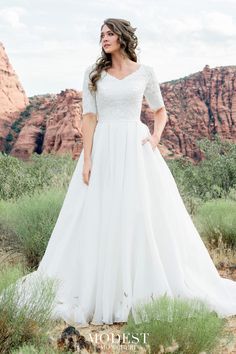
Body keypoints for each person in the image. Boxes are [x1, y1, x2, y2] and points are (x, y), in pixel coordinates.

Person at [6, 18, 236, 327]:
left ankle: (140, 290)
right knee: (98, 215)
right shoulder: (93, 74)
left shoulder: (145, 73)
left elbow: (160, 112)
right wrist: (87, 159)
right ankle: (99, 290)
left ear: (123, 36)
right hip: (103, 147)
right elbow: (88, 118)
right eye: (101, 34)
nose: (104, 38)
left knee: (140, 214)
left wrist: (154, 138)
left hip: (136, 149)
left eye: (110, 33)